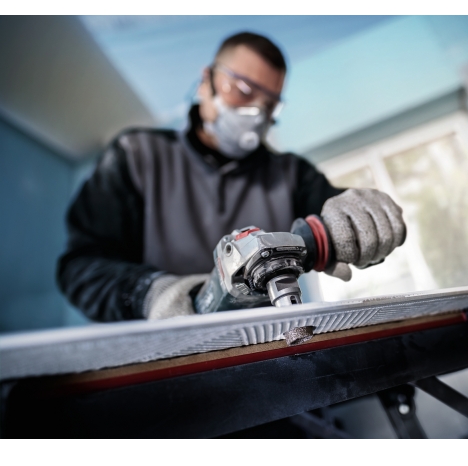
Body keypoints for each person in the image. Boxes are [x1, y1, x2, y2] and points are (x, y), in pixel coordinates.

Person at [57, 32, 407, 323]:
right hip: (159, 363)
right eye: (242, 90)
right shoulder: (137, 155)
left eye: (269, 104)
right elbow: (82, 268)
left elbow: (340, 222)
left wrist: (359, 218)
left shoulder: (291, 174)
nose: (256, 113)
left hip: (264, 354)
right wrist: (148, 293)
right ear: (206, 80)